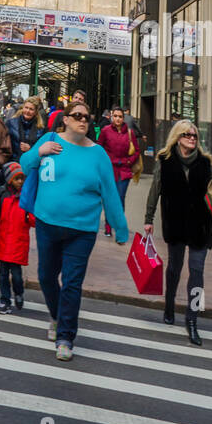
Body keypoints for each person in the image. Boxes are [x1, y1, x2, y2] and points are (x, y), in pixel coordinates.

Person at [20, 99, 129, 361]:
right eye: (77, 115)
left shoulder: (98, 155)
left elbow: (110, 195)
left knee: (71, 283)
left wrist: (121, 230)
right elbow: (23, 165)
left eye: (87, 117)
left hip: (82, 230)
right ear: (65, 119)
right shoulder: (50, 140)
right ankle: (58, 316)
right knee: (46, 276)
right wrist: (39, 152)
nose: (82, 120)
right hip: (47, 224)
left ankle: (66, 336)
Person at [144, 119, 212, 346]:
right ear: (178, 137)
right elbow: (155, 190)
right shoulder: (165, 159)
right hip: (176, 222)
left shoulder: (205, 162)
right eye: (187, 135)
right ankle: (169, 305)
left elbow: (211, 193)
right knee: (174, 269)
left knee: (197, 273)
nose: (192, 138)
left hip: (200, 225)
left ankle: (192, 319)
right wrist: (148, 219)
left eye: (195, 136)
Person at [0, 161, 34, 314]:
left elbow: (33, 220)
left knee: (17, 276)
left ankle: (19, 293)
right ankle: (4, 300)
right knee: (3, 275)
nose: (20, 181)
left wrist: (29, 216)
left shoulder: (26, 198)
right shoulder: (2, 196)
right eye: (16, 178)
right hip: (3, 241)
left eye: (22, 178)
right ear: (9, 180)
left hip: (18, 244)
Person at [98, 106, 142, 236]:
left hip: (124, 171)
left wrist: (128, 161)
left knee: (120, 198)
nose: (117, 119)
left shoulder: (129, 133)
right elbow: (99, 148)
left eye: (120, 116)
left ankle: (118, 225)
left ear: (124, 118)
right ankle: (107, 226)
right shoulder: (105, 131)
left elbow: (137, 151)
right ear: (111, 116)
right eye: (115, 116)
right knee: (109, 198)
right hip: (109, 170)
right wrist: (105, 161)